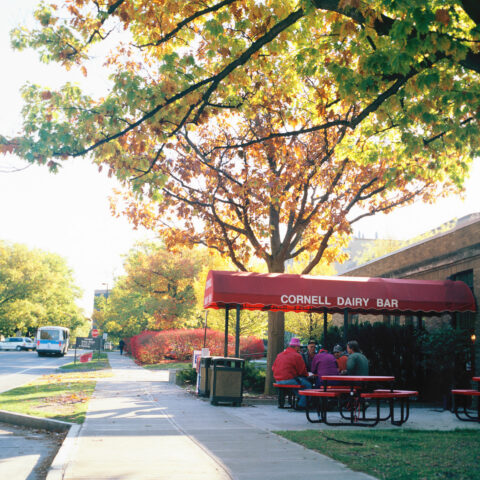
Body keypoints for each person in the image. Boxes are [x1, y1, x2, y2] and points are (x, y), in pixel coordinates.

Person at [272, 338, 311, 408]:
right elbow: (302, 371)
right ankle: (301, 405)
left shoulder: (280, 355)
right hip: (289, 379)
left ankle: (302, 400)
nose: (300, 348)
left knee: (297, 384)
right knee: (308, 385)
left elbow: (273, 368)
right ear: (296, 347)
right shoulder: (297, 356)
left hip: (278, 380)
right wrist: (308, 375)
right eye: (299, 347)